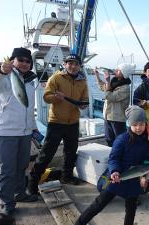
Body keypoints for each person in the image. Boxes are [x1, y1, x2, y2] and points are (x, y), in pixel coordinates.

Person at [0, 47, 38, 216]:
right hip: (3, 132)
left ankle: (19, 194)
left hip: (24, 132)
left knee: (21, 167)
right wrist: (1, 70)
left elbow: (28, 108)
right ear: (13, 60)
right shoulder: (4, 76)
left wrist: (33, 126)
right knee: (6, 170)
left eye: (27, 61)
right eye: (20, 60)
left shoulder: (29, 81)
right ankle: (7, 203)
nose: (23, 63)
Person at [75, 105, 149, 225]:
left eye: (141, 124)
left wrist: (144, 176)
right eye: (135, 124)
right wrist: (114, 171)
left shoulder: (145, 141)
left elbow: (146, 161)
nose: (138, 128)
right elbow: (113, 158)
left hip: (134, 182)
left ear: (146, 124)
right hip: (116, 179)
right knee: (98, 204)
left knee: (131, 209)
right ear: (129, 124)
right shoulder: (122, 139)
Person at [28, 54, 89, 194]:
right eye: (70, 63)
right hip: (56, 122)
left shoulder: (82, 82)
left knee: (70, 152)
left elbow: (84, 99)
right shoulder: (56, 78)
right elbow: (46, 97)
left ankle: (66, 176)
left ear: (80, 66)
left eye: (76, 64)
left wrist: (84, 105)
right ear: (65, 64)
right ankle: (33, 183)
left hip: (73, 122)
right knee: (46, 154)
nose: (73, 66)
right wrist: (56, 97)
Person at [94, 63, 134, 147]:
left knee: (119, 141)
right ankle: (111, 156)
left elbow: (109, 96)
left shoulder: (125, 88)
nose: (116, 70)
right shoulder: (114, 82)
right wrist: (97, 75)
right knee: (109, 140)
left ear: (124, 73)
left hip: (117, 119)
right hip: (107, 116)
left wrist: (107, 81)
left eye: (119, 70)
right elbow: (102, 87)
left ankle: (120, 158)